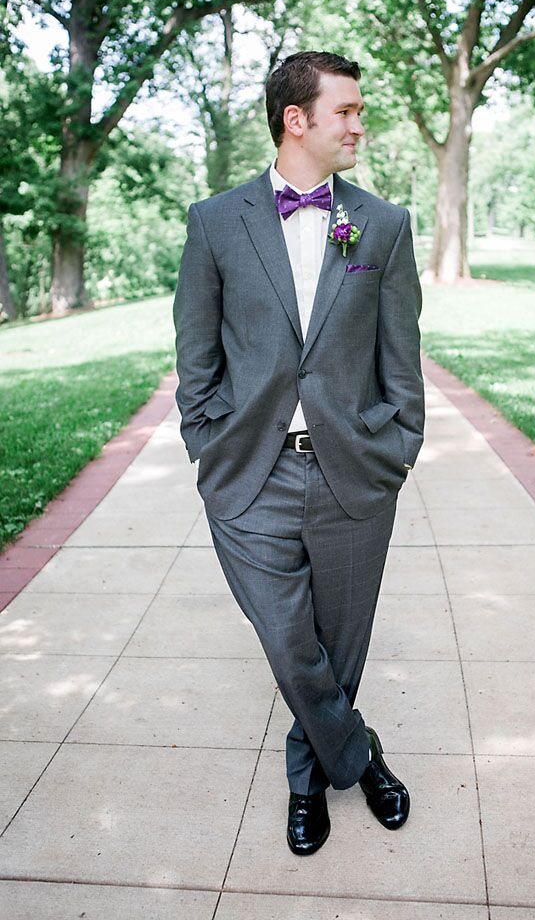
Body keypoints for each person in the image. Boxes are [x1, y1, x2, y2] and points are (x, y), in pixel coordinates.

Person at [173, 50, 424, 856]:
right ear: (298, 120)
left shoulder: (381, 224)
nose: (359, 124)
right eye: (347, 110)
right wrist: (207, 443)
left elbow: (400, 359)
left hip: (356, 470)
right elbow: (196, 356)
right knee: (290, 643)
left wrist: (398, 451)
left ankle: (307, 778)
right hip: (250, 475)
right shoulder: (215, 222)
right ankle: (360, 759)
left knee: (339, 646)